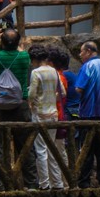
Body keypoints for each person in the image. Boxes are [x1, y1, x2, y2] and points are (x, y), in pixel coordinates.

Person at [0, 26, 35, 189]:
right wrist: (17, 42)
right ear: (18, 42)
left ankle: (1, 185)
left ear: (2, 43)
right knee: (26, 146)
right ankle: (31, 184)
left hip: (0, 107)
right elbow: (20, 50)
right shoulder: (24, 57)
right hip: (21, 106)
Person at [74, 41, 100, 188]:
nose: (80, 55)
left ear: (88, 51)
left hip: (89, 114)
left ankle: (84, 182)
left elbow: (79, 89)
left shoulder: (87, 67)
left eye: (81, 52)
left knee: (87, 149)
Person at [28, 44, 63, 188]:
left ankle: (44, 184)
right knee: (52, 148)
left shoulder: (36, 72)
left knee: (41, 150)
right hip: (53, 114)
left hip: (40, 114)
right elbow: (62, 93)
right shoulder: (54, 71)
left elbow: (31, 94)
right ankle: (58, 183)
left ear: (35, 59)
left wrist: (32, 103)